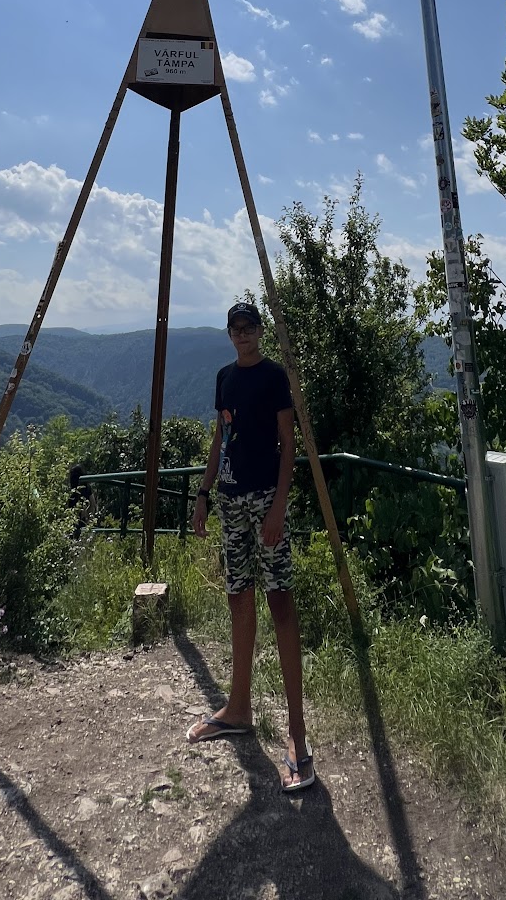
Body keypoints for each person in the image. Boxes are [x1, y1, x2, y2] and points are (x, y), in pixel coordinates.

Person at [187, 302, 314, 792]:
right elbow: (220, 437)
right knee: (238, 597)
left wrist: (280, 506)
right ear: (229, 334)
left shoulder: (273, 376)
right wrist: (202, 495)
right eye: (235, 329)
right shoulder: (224, 378)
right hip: (230, 501)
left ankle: (297, 732)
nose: (242, 335)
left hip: (265, 501)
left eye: (249, 327)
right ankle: (238, 709)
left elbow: (289, 443)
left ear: (259, 332)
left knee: (279, 601)